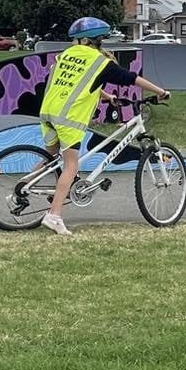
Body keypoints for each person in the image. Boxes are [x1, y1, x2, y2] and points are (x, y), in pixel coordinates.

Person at [37, 16, 170, 235]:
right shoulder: (99, 62)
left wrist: (106, 95)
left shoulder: (66, 55)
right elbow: (131, 78)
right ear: (96, 40)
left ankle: (20, 191)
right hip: (69, 118)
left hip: (48, 112)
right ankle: (54, 215)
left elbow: (77, 82)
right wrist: (160, 91)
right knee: (71, 166)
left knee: (49, 157)